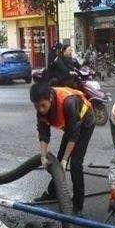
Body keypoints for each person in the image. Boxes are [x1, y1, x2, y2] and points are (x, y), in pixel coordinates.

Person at [31, 81, 95, 216]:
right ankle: (52, 193)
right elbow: (43, 134)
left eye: (43, 105)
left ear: (50, 98)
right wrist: (43, 156)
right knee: (58, 161)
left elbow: (74, 135)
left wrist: (66, 159)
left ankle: (77, 205)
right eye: (37, 106)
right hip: (70, 125)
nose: (40, 109)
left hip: (85, 123)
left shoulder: (68, 103)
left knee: (75, 163)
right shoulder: (41, 110)